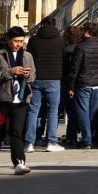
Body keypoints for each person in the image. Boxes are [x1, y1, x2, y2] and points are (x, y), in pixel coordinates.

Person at [0, 27, 36, 176]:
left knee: (16, 131)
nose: (18, 44)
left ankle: (19, 162)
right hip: (1, 98)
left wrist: (27, 75)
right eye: (16, 41)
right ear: (9, 40)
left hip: (20, 99)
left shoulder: (28, 56)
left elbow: (33, 76)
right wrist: (10, 72)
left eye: (21, 41)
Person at [24, 16, 65, 153]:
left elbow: (28, 57)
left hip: (36, 78)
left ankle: (29, 142)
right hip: (54, 79)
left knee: (33, 111)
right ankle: (51, 142)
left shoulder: (33, 40)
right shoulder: (60, 40)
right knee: (53, 111)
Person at [67, 21, 98, 150]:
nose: (83, 32)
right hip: (96, 84)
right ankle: (89, 137)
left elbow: (75, 68)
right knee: (91, 113)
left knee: (82, 112)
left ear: (88, 32)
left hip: (83, 83)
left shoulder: (81, 47)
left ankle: (87, 140)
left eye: (84, 30)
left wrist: (71, 86)